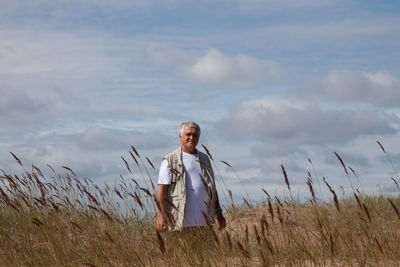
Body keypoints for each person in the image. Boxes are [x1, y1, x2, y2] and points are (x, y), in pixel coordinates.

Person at [156, 121, 226, 232]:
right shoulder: (170, 160)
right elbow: (161, 192)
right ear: (180, 136)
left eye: (195, 135)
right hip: (179, 224)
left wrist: (219, 213)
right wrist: (161, 217)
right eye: (188, 134)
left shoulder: (205, 159)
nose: (191, 138)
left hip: (205, 225)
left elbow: (212, 189)